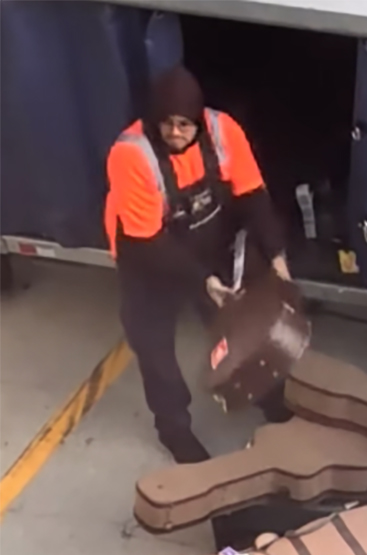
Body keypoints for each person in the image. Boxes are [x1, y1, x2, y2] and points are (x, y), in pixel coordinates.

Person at [104, 64, 293, 464]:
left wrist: (277, 258)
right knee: (155, 349)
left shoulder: (224, 132)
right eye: (166, 124)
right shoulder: (130, 155)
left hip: (208, 247)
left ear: (200, 121)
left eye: (184, 125)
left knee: (239, 330)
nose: (175, 133)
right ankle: (174, 430)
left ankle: (269, 398)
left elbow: (253, 196)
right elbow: (146, 241)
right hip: (148, 259)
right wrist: (203, 280)